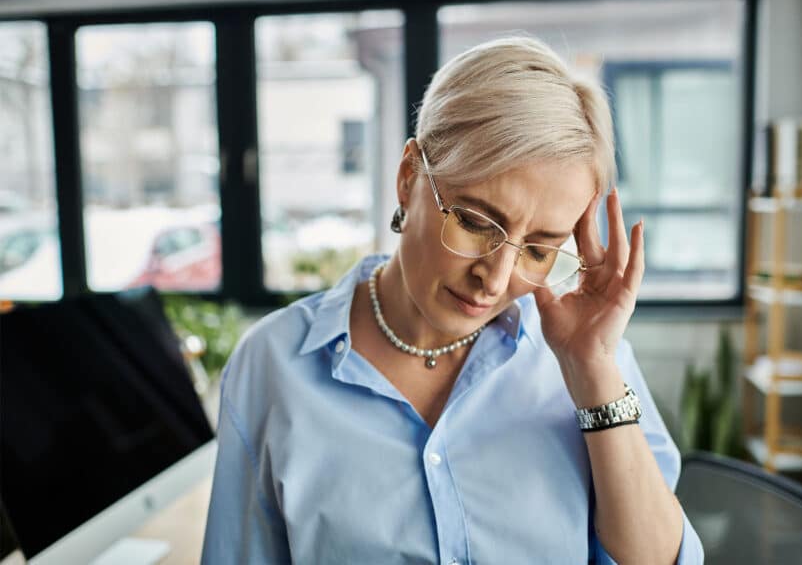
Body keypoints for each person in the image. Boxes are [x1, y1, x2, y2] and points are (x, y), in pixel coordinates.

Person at [200, 36, 704, 564]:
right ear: (408, 177)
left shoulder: (587, 359)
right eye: (474, 221)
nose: (495, 277)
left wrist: (593, 369)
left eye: (537, 249)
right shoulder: (273, 366)